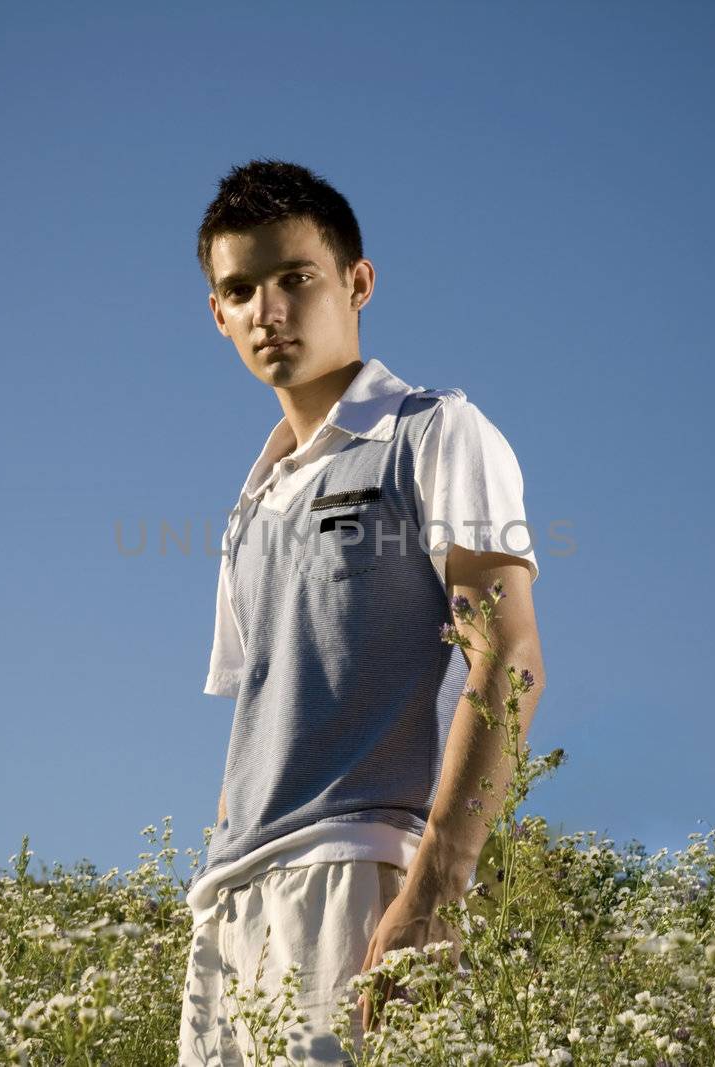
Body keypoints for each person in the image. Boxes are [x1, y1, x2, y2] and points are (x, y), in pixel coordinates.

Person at [178, 158, 546, 1065]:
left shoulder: (432, 432)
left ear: (357, 281)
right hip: (230, 904)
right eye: (241, 290)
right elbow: (257, 722)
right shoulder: (250, 503)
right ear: (217, 315)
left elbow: (511, 660)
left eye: (295, 278)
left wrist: (434, 894)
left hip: (357, 872)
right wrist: (212, 898)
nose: (269, 310)